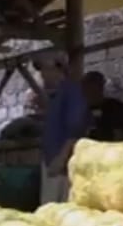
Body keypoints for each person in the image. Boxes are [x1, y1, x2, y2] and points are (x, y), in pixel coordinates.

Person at [34, 52, 89, 204]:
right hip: (52, 162)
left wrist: (61, 159)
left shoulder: (72, 93)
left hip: (62, 167)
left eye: (46, 69)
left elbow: (75, 130)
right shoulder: (56, 96)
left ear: (58, 70)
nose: (43, 74)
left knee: (59, 210)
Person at [81, 70, 123, 142]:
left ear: (101, 88)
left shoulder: (116, 107)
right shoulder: (79, 112)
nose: (89, 93)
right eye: (86, 89)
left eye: (93, 89)